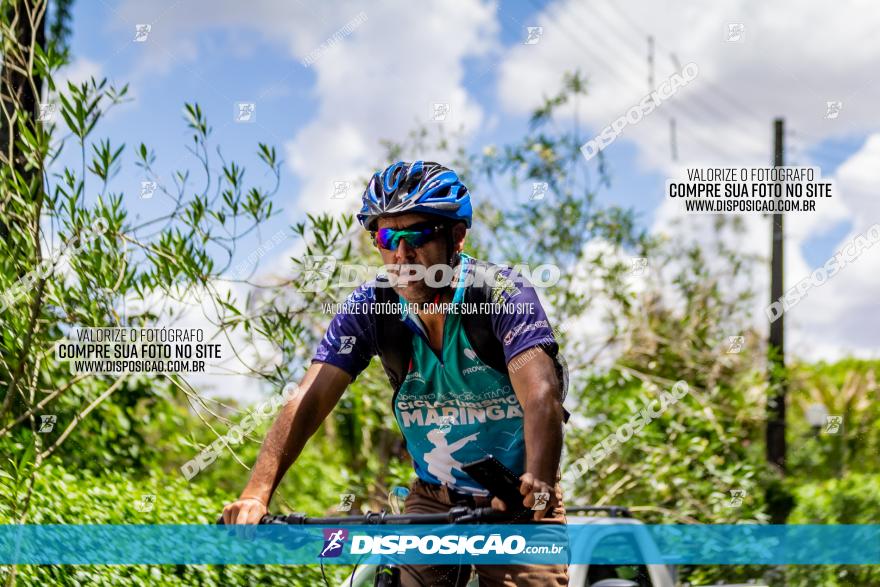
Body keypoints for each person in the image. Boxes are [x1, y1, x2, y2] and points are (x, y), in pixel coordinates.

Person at [223, 161, 568, 586]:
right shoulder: (371, 307)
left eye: (417, 236)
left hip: (519, 496)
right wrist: (256, 494)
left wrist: (538, 479)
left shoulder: (501, 294)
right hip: (433, 497)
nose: (402, 255)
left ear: (456, 236)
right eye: (387, 237)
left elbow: (541, 395)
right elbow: (308, 398)